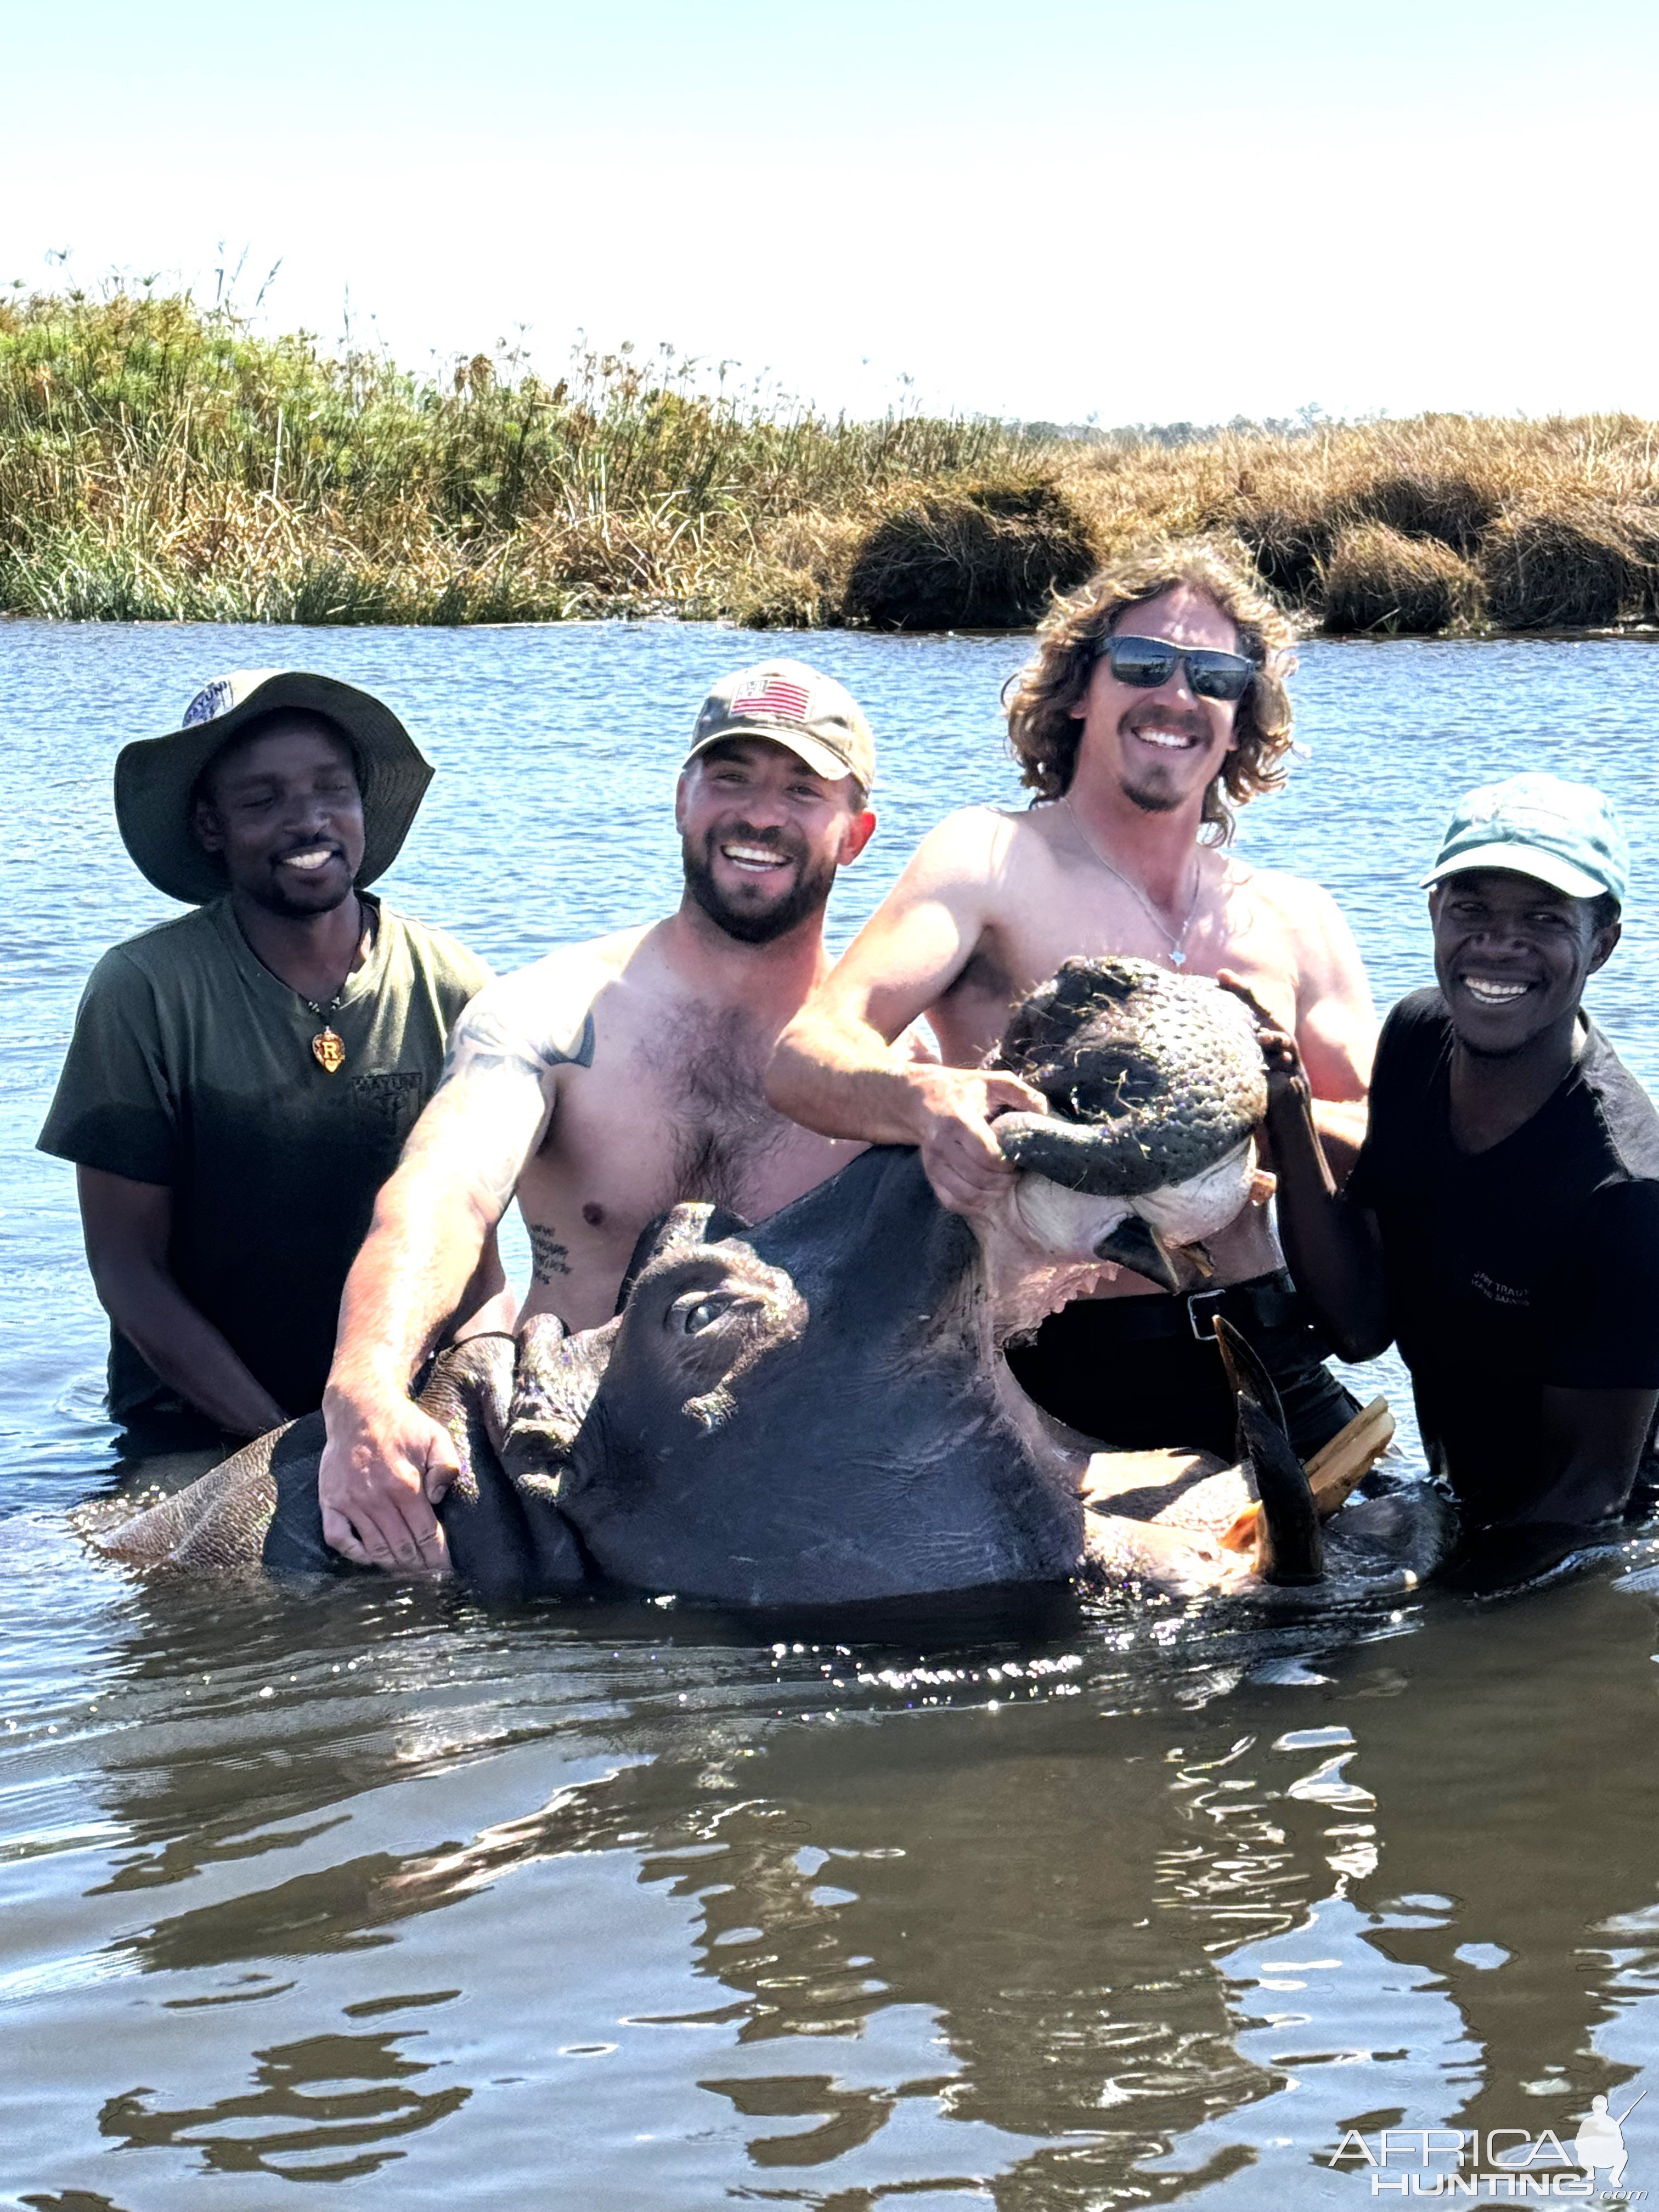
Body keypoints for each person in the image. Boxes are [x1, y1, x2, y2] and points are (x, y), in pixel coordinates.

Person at [767, 540, 1376, 1461]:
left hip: (1270, 1347)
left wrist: (1256, 1107)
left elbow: (1382, 1146)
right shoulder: (987, 861)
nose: (1177, 695)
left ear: (1241, 712)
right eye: (1142, 665)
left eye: (1214, 675)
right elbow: (805, 1056)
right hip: (1044, 1365)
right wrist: (931, 1104)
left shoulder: (1296, 919)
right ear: (1079, 690)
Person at [318, 658, 889, 1571]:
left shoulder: (898, 1054)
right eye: (730, 776)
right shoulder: (546, 1014)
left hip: (804, 1478)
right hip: (569, 1463)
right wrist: (365, 1385)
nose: (760, 813)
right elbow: (443, 1195)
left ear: (854, 834)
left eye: (802, 789)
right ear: (682, 798)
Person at [38, 670, 498, 1453]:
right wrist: (284, 1446)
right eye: (263, 801)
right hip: (190, 1431)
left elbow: (476, 1264)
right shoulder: (144, 992)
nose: (309, 821)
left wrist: (466, 1413)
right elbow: (128, 1271)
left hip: (403, 1414)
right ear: (210, 828)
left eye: (332, 791)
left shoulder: (452, 986)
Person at [1237, 772, 1659, 1584]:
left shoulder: (1625, 1195)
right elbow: (1359, 1326)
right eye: (1472, 910)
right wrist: (1288, 1115)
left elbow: (1588, 1496)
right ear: (1435, 914)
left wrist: (1428, 1610)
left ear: (1602, 942)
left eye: (1543, 919)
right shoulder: (1419, 1032)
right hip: (1462, 1496)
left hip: (1590, 1546)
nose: (1499, 945)